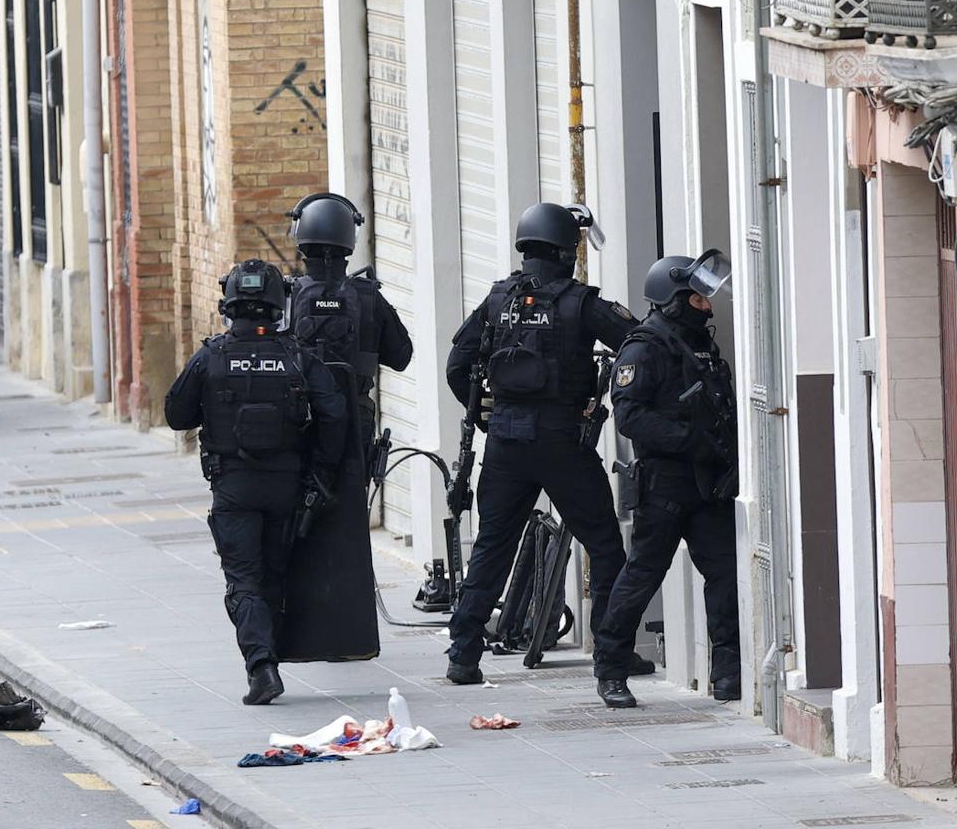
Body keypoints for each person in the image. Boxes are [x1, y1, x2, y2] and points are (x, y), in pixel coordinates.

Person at [444, 201, 645, 686]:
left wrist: (490, 418)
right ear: (564, 251)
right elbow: (641, 341)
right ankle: (611, 654)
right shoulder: (581, 303)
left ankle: (462, 654)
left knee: (492, 546)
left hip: (506, 448)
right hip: (562, 446)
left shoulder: (498, 301)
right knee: (603, 543)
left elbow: (457, 366)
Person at [164, 259, 348, 706]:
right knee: (274, 575)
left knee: (243, 579)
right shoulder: (299, 357)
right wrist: (322, 474)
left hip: (234, 486)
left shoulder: (211, 356)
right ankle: (273, 651)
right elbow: (335, 414)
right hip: (288, 487)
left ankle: (261, 666)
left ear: (229, 304)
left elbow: (176, 415)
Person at [594, 251, 740, 708]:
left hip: (708, 483)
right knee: (641, 576)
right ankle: (611, 669)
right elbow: (631, 417)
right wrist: (688, 440)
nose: (708, 308)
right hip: (666, 484)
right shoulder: (644, 348)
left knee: (725, 576)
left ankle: (729, 674)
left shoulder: (701, 346)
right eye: (698, 300)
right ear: (674, 299)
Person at [284, 192, 412, 454]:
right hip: (354, 419)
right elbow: (401, 357)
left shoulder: (288, 296)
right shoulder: (369, 297)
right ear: (348, 241)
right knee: (351, 493)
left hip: (299, 418)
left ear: (302, 241)